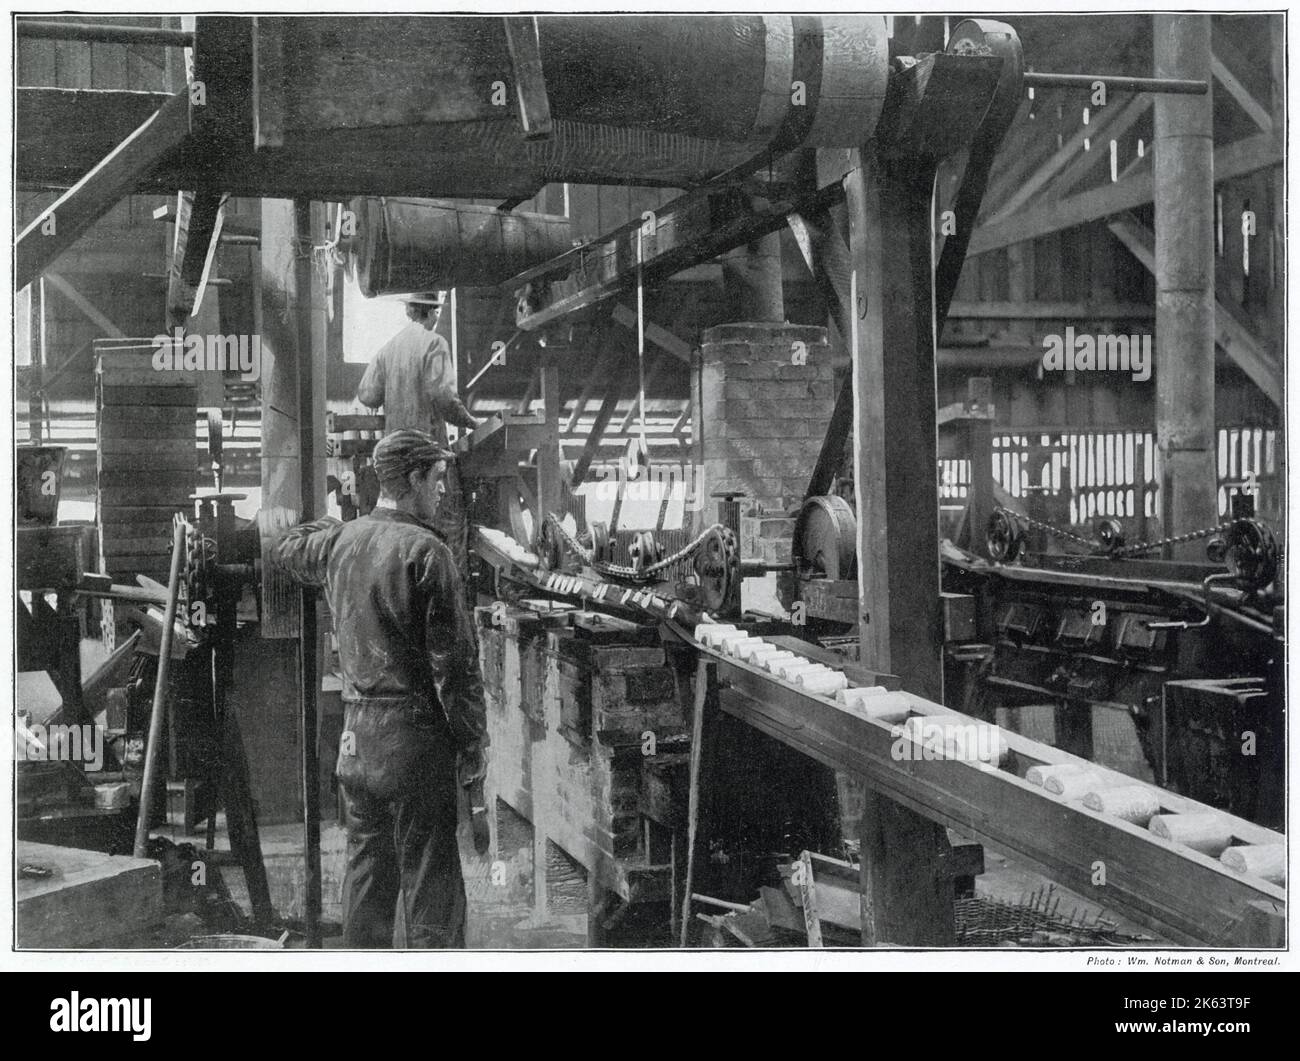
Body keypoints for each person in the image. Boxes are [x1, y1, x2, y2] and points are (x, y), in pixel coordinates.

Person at [272, 429, 488, 948]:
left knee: (367, 879)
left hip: (356, 744)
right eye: (437, 480)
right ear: (413, 479)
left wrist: (331, 523)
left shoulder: (341, 541)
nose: (442, 492)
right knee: (431, 885)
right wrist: (473, 748)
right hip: (415, 746)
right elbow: (454, 670)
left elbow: (286, 547)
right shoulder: (428, 552)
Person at [357, 292, 479, 574]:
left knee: (402, 528)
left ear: (409, 311)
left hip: (394, 459)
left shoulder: (388, 349)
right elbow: (444, 397)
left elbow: (366, 394)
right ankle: (446, 597)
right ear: (433, 313)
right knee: (449, 528)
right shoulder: (434, 343)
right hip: (427, 456)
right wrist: (472, 422)